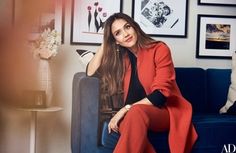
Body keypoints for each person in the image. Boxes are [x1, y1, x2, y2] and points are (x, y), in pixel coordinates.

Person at [86, 12, 198, 153]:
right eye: (118, 33)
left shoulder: (159, 49)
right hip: (136, 115)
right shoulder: (122, 59)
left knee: (135, 112)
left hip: (165, 111)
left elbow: (160, 96)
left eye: (127, 27)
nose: (126, 34)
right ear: (116, 40)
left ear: (134, 27)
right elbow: (90, 72)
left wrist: (125, 109)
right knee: (129, 120)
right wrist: (105, 43)